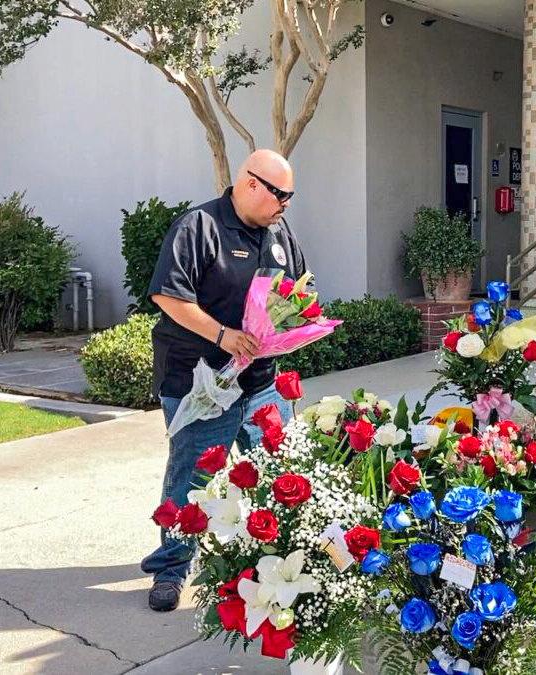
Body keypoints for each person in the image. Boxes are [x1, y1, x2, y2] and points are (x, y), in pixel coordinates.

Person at [140, 149, 307, 611]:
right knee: (191, 482)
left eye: (290, 198)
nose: (285, 205)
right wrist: (223, 335)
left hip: (261, 383)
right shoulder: (198, 227)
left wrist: (296, 324)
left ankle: (277, 563)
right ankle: (172, 566)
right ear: (251, 183)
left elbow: (298, 291)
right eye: (280, 195)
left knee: (278, 475)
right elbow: (168, 296)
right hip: (201, 384)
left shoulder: (278, 233)